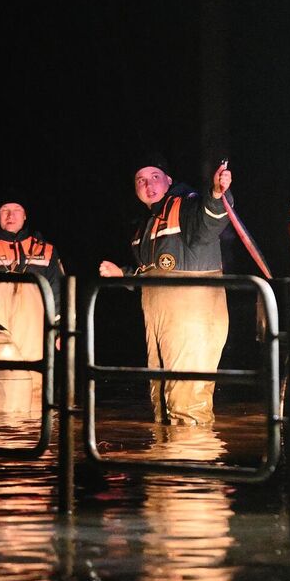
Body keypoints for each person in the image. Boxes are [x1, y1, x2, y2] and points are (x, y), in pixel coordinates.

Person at [98, 155, 233, 426]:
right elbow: (150, 274)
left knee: (188, 400)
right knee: (161, 398)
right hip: (159, 317)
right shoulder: (145, 227)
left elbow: (209, 223)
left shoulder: (185, 205)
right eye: (141, 180)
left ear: (168, 180)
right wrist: (122, 274)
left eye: (155, 177)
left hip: (193, 315)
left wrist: (217, 193)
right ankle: (166, 464)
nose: (149, 185)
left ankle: (192, 461)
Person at [0, 193, 63, 366]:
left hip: (32, 329)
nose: (11, 215)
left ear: (25, 215)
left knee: (33, 376)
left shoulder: (46, 250)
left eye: (17, 209)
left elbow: (58, 291)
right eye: (5, 210)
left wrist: (60, 331)